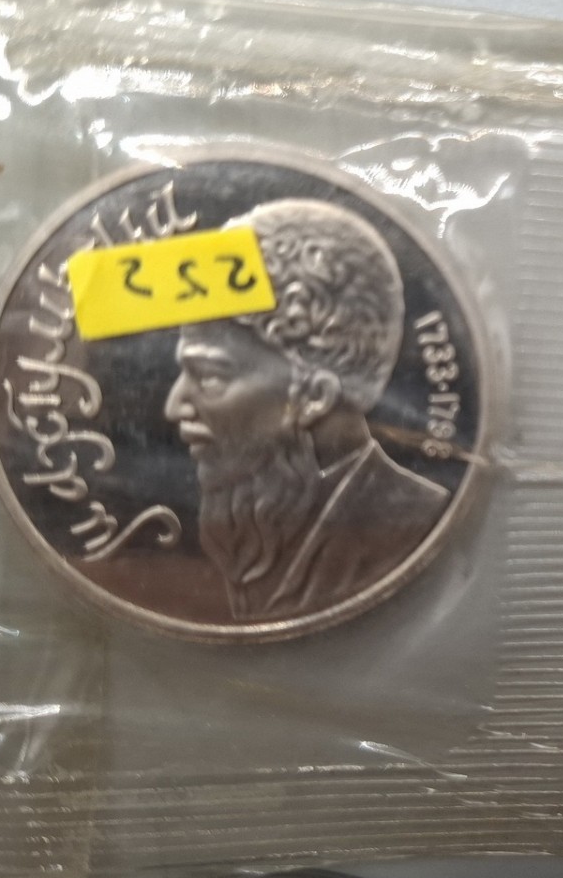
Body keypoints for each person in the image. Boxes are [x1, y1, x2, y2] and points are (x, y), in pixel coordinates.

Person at [164, 198, 447, 622]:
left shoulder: (411, 520)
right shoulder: (251, 513)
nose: (174, 406)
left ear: (314, 396)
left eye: (209, 376)